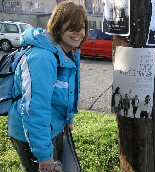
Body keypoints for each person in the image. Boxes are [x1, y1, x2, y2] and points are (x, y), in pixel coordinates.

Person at [8, 1, 88, 172]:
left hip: (53, 128)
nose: (79, 32)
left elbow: (64, 92)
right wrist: (43, 155)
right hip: (32, 136)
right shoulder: (42, 58)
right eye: (71, 27)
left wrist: (67, 120)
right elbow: (34, 108)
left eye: (81, 27)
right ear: (58, 27)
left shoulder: (68, 51)